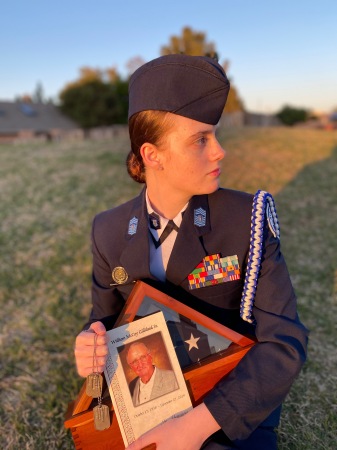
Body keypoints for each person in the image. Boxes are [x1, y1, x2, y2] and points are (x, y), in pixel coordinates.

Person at [74, 54, 308, 449]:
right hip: (149, 400)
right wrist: (91, 343)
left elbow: (284, 344)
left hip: (226, 405)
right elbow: (106, 318)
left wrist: (193, 428)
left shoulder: (246, 221)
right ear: (152, 155)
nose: (219, 152)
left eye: (214, 135)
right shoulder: (108, 230)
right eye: (201, 139)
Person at [126, 341, 178, 406]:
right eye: (135, 361)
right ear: (131, 367)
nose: (140, 364)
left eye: (143, 357)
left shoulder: (173, 378)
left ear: (150, 357)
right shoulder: (131, 387)